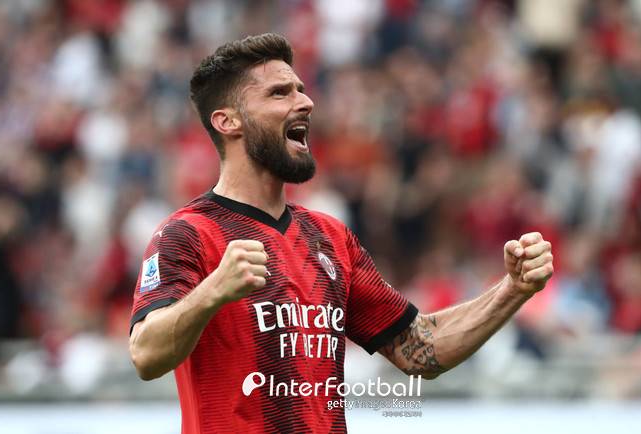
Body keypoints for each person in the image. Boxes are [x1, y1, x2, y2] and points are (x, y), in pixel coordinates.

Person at [128, 33, 554, 433]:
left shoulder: (329, 237)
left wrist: (513, 290)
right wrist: (213, 291)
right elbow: (145, 354)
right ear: (227, 121)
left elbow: (419, 349)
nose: (306, 102)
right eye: (279, 93)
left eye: (301, 89)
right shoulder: (187, 233)